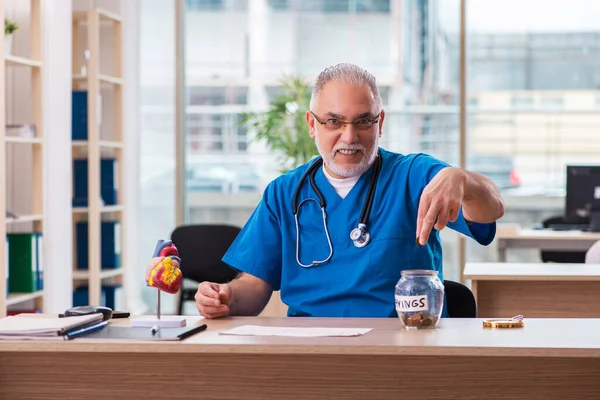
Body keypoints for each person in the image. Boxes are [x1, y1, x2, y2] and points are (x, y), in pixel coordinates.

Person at [149, 63, 504, 319]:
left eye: (363, 121)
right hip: (310, 352)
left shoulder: (414, 175)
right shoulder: (284, 193)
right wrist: (227, 296)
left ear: (380, 123)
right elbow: (254, 288)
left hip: (403, 347)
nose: (349, 137)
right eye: (333, 121)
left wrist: (464, 180)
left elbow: (491, 209)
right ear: (311, 125)